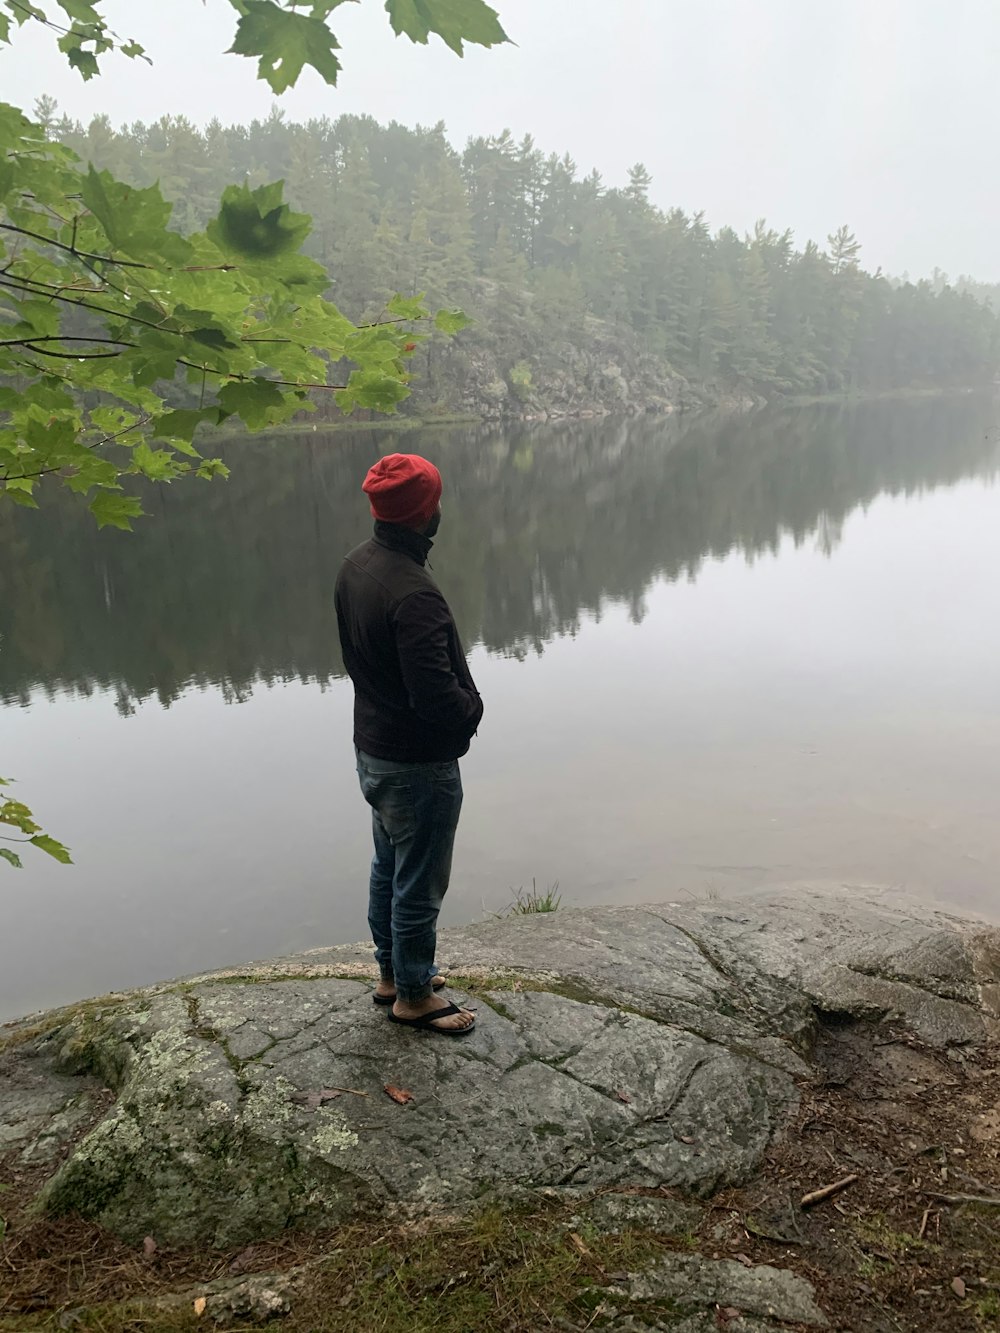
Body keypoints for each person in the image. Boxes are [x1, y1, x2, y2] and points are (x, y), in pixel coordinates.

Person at [335, 453, 483, 1036]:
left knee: (390, 863)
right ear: (426, 513)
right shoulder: (412, 591)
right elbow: (436, 696)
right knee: (419, 879)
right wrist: (472, 713)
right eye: (436, 501)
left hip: (374, 750)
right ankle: (414, 996)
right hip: (416, 763)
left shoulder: (356, 565)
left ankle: (394, 973)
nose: (440, 509)